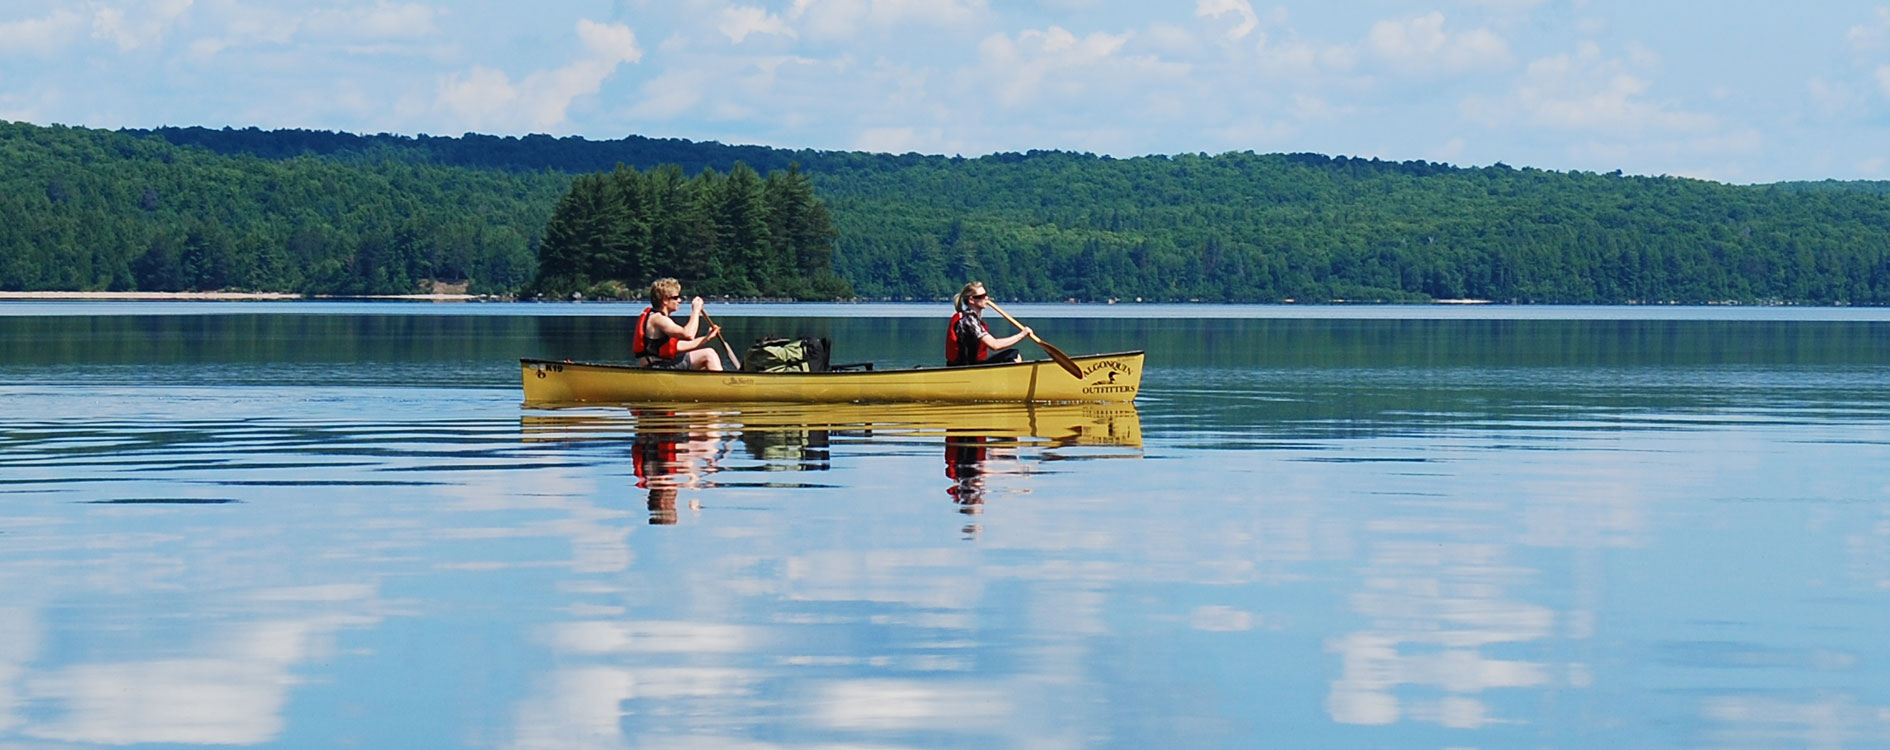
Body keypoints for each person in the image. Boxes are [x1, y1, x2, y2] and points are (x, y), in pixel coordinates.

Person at [636, 278, 724, 371]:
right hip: (657, 367)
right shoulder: (658, 319)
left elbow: (680, 346)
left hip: (658, 365)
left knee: (703, 365)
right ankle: (725, 384)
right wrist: (696, 310)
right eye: (675, 297)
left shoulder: (657, 318)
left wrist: (707, 338)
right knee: (709, 354)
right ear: (665, 300)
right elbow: (689, 335)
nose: (679, 300)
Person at [945, 281, 1031, 366]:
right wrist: (1022, 335)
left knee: (1013, 354)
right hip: (964, 366)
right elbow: (994, 345)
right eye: (982, 296)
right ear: (971, 300)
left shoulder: (973, 319)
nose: (986, 298)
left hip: (972, 364)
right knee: (1012, 356)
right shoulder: (968, 320)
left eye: (986, 295)